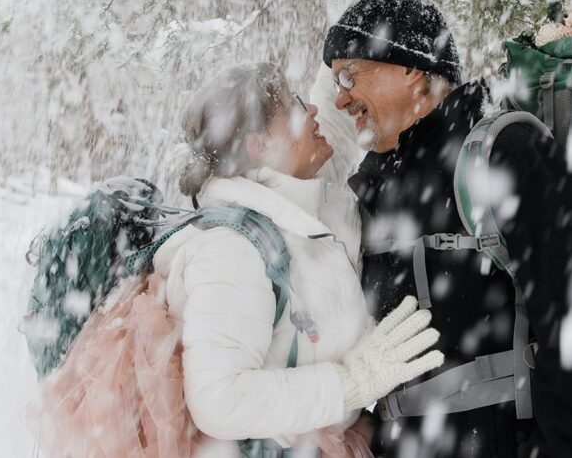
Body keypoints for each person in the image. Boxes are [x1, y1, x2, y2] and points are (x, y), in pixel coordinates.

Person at [321, 0, 572, 457]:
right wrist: (368, 426)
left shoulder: (505, 153)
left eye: (349, 76)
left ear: (412, 69)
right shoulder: (373, 186)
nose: (340, 97)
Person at [155, 62, 445, 456]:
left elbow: (333, 121)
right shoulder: (230, 248)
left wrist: (349, 46)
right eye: (295, 107)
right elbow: (220, 400)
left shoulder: (305, 203)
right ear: (261, 146)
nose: (311, 111)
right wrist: (354, 380)